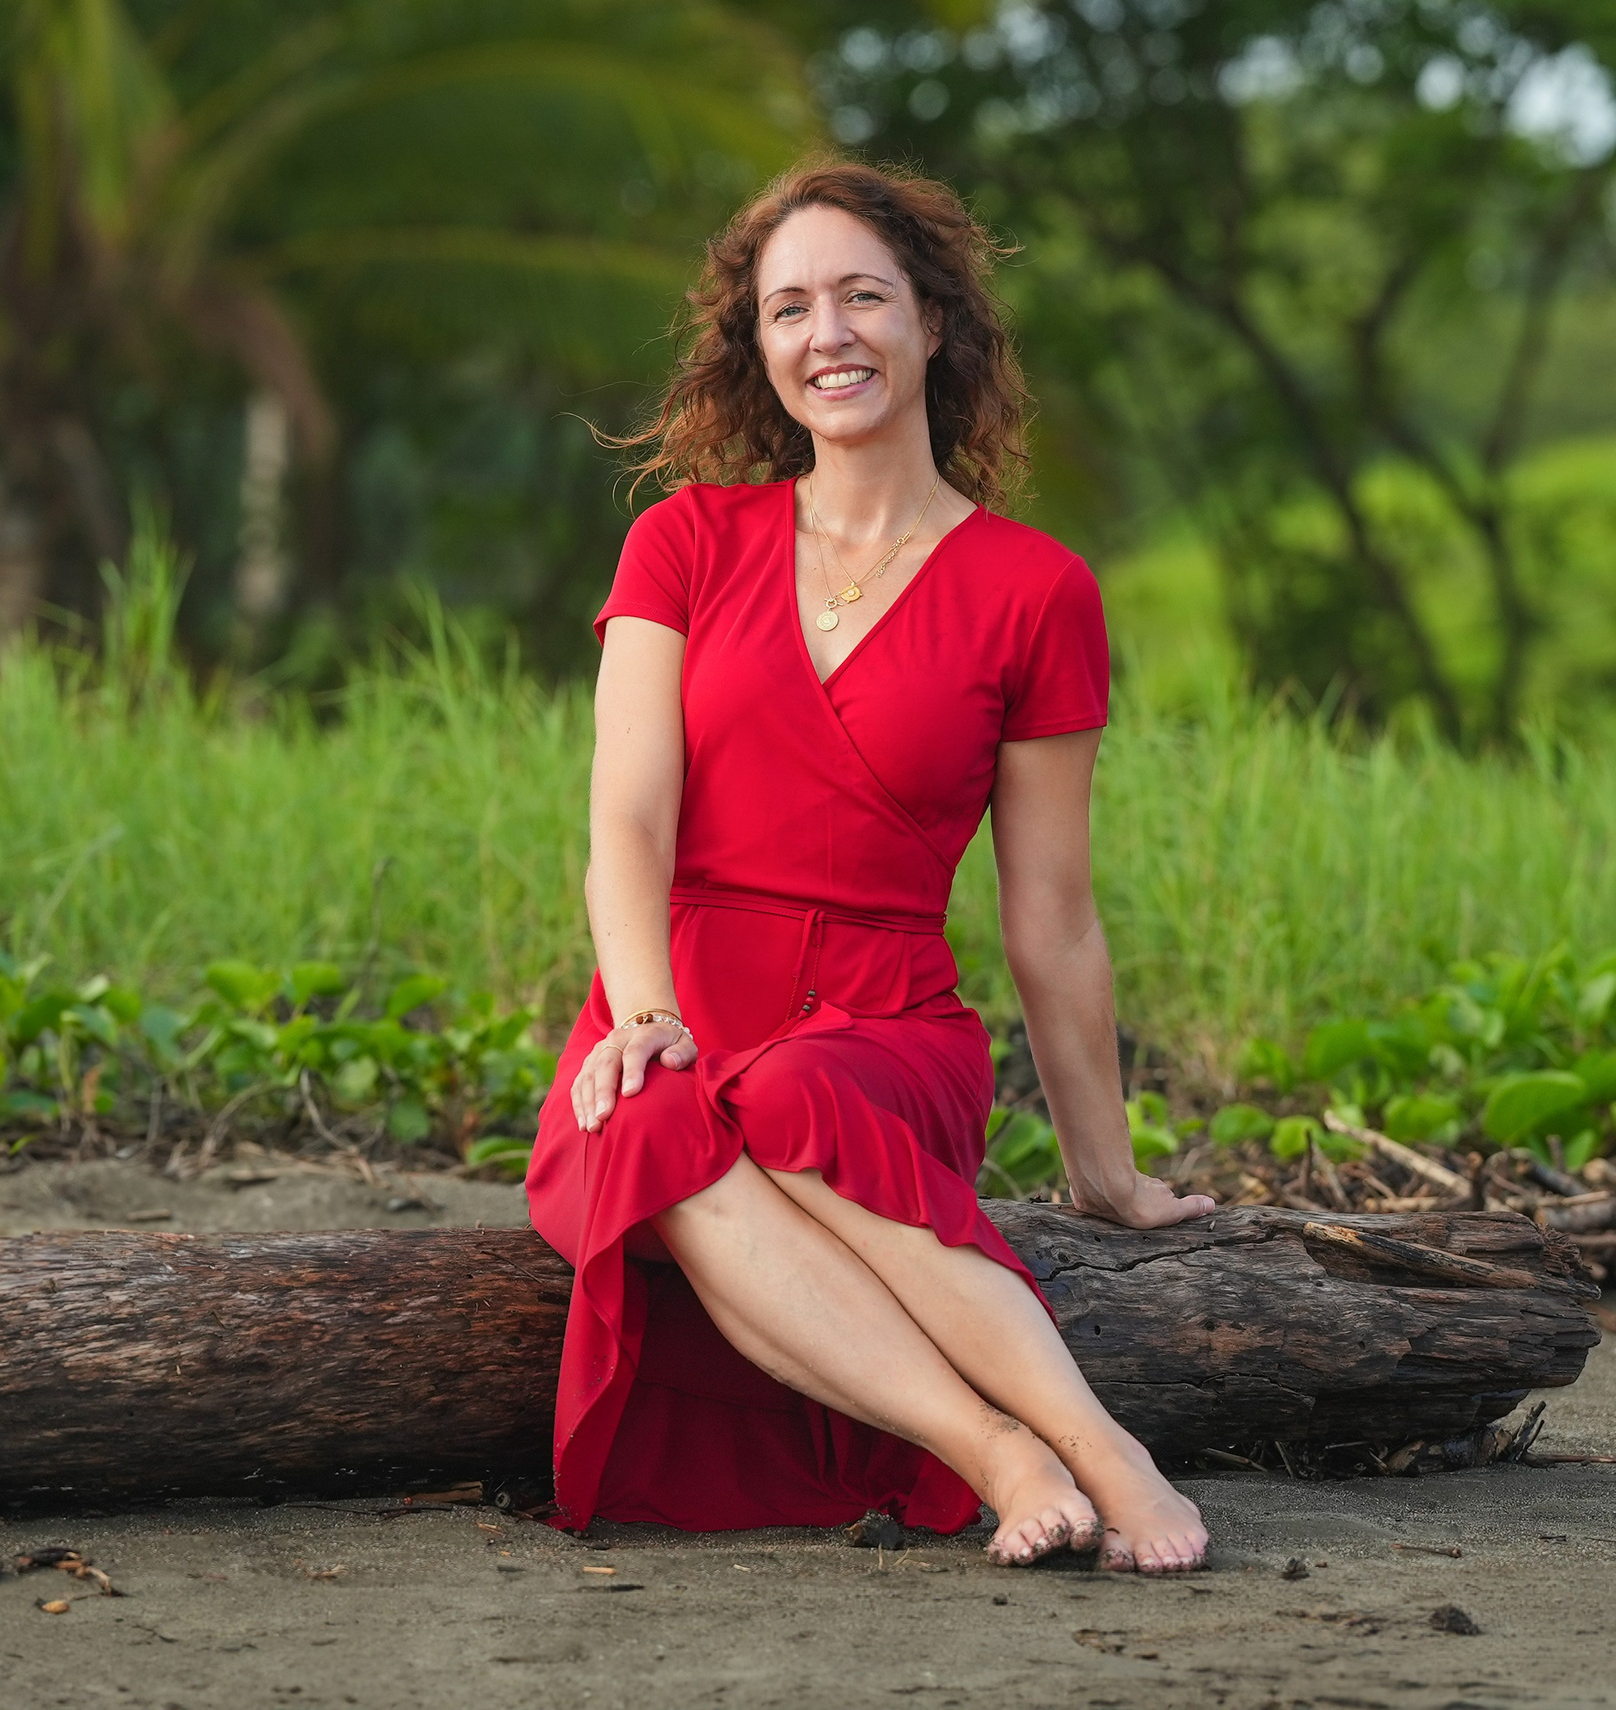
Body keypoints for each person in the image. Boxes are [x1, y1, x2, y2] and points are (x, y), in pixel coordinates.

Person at [523, 159, 1215, 1573]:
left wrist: (1108, 1168)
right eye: (789, 308)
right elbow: (629, 823)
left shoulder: (1037, 590)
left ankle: (1104, 1444)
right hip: (681, 991)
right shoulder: (683, 544)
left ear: (935, 324)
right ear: (755, 347)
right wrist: (644, 1012)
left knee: (789, 1096)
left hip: (881, 1025)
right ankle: (1000, 1450)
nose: (824, 333)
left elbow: (1055, 917)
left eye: (860, 297)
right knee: (658, 1117)